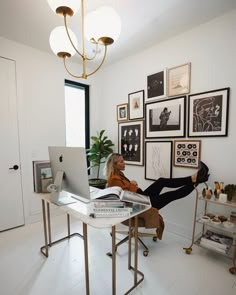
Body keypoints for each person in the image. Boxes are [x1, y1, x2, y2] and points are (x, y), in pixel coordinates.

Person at [104, 153, 209, 210]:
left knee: (161, 181)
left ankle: (193, 178)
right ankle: (196, 181)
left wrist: (130, 184)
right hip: (140, 203)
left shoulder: (118, 174)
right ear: (114, 164)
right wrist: (132, 184)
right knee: (170, 195)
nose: (124, 163)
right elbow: (124, 197)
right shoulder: (113, 179)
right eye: (121, 161)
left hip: (142, 196)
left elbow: (124, 188)